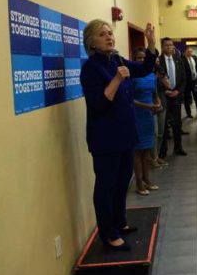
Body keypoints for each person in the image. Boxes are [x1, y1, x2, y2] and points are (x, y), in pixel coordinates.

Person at [80, 20, 157, 251]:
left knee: (123, 181)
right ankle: (109, 234)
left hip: (125, 135)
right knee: (106, 187)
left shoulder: (117, 59)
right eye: (102, 34)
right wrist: (116, 80)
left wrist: (151, 44)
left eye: (110, 33)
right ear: (92, 42)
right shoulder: (91, 68)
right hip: (105, 139)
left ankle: (119, 222)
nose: (109, 37)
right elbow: (98, 104)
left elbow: (143, 69)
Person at [132, 49, 161, 195]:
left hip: (149, 115)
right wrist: (149, 106)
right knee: (137, 151)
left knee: (147, 150)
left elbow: (155, 94)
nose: (141, 60)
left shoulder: (151, 75)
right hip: (137, 115)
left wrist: (158, 103)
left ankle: (147, 179)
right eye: (138, 58)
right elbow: (130, 100)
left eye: (144, 58)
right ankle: (138, 183)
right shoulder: (131, 76)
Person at [158, 38, 187, 157]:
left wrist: (177, 92)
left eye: (171, 45)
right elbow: (157, 79)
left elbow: (183, 79)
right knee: (164, 124)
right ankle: (163, 149)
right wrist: (165, 91)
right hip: (164, 96)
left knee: (177, 123)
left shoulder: (178, 60)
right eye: (167, 45)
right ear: (162, 47)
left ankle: (178, 147)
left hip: (176, 96)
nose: (170, 47)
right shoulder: (158, 61)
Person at [182, 47, 197, 118]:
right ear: (185, 52)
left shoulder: (194, 58)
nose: (190, 53)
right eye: (188, 51)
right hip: (187, 82)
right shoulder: (182, 59)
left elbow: (195, 68)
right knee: (187, 98)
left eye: (191, 51)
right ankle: (189, 113)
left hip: (194, 80)